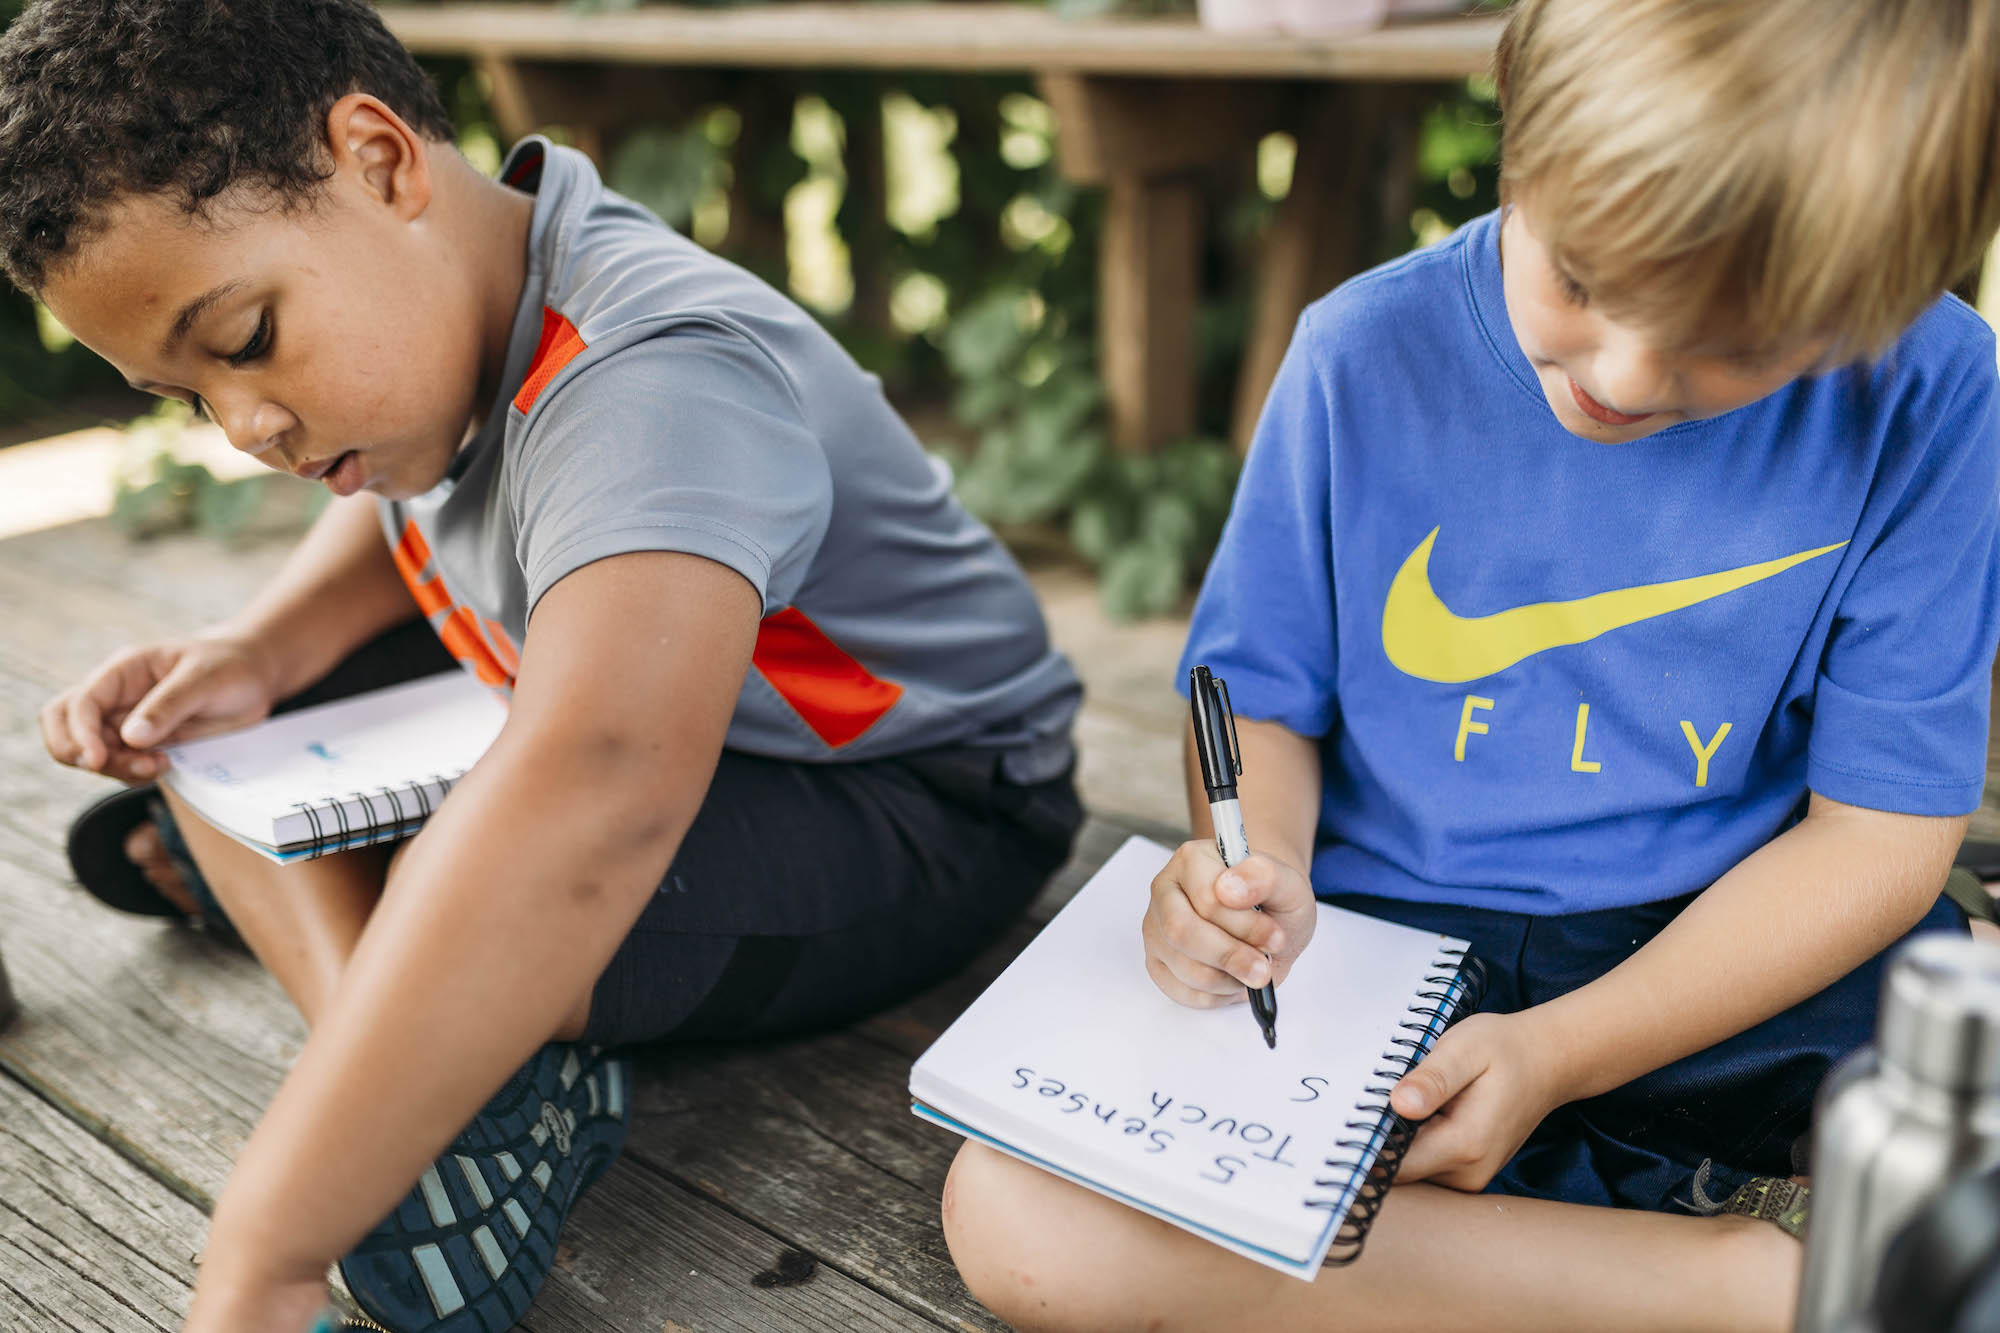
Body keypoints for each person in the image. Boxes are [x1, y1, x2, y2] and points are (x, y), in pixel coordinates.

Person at [13, 1, 1083, 1330]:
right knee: (220, 739)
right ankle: (442, 1084)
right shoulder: (453, 308)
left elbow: (595, 789)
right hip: (638, 688)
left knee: (494, 881)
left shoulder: (653, 376)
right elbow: (400, 494)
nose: (245, 428)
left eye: (241, 345)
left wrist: (269, 1247)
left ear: (382, 160)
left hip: (916, 789)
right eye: (185, 395)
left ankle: (403, 1029)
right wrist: (258, 651)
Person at [940, 1, 2000, 1329]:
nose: (1621, 374)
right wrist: (1242, 865)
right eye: (1584, 279)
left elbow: (1877, 841)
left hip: (1722, 956)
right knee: (1013, 1209)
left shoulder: (1933, 387)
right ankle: (1731, 1288)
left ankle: (1493, 1237)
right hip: (1382, 962)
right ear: (1518, 131)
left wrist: (1560, 1051)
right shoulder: (1359, 354)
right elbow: (1255, 701)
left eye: (1729, 346)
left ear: (1876, 300)